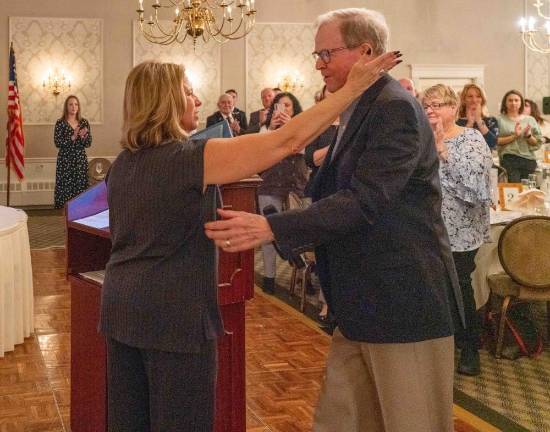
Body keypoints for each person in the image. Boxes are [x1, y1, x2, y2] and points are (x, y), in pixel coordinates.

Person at [99, 52, 399, 431]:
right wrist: (353, 88)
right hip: (173, 313)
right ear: (166, 103)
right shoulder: (189, 158)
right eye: (188, 93)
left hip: (121, 305)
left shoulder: (123, 163)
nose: (196, 100)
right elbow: (285, 141)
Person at [205, 8, 463, 432]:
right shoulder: (360, 106)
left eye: (327, 53)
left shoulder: (393, 108)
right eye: (317, 54)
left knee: (411, 421)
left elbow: (364, 201)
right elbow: (327, 188)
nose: (318, 63)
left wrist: (273, 227)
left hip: (401, 300)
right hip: (362, 298)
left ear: (365, 51)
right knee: (342, 419)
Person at [423, 84, 493, 376]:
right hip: (427, 229)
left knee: (458, 290)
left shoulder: (472, 140)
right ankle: (439, 347)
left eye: (437, 104)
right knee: (432, 291)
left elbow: (477, 190)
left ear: (453, 108)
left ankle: (469, 349)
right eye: (426, 105)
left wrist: (443, 152)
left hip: (461, 232)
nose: (430, 111)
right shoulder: (419, 140)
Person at [257, 92, 309, 294]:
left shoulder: (303, 126)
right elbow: (262, 149)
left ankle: (304, 273)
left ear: (294, 109)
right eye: (278, 106)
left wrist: (291, 127)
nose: (283, 109)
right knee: (268, 230)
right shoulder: (265, 129)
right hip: (270, 184)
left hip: (296, 185)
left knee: (300, 230)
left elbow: (303, 150)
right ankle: (269, 277)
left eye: (287, 105)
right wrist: (272, 129)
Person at [53, 95, 92, 209]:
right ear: (66, 107)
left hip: (80, 160)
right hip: (65, 161)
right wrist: (73, 137)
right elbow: (57, 142)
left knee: (80, 189)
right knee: (65, 190)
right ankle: (66, 220)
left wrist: (84, 136)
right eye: (71, 104)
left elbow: (88, 143)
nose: (73, 107)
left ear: (78, 107)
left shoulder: (84, 122)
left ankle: (79, 220)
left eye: (76, 104)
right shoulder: (60, 123)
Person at [497, 90, 543, 182]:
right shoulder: (499, 120)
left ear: (521, 102)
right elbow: (496, 141)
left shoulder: (530, 120)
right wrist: (514, 136)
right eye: (510, 100)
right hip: (509, 159)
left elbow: (536, 142)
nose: (513, 103)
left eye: (516, 100)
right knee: (515, 189)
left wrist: (528, 136)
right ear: (505, 103)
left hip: (529, 160)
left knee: (527, 190)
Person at [457, 83, 499, 149]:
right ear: (464, 99)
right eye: (470, 96)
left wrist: (479, 120)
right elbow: (458, 145)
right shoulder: (457, 122)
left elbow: (493, 144)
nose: (474, 100)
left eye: (478, 96)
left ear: (482, 100)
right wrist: (470, 123)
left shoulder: (491, 120)